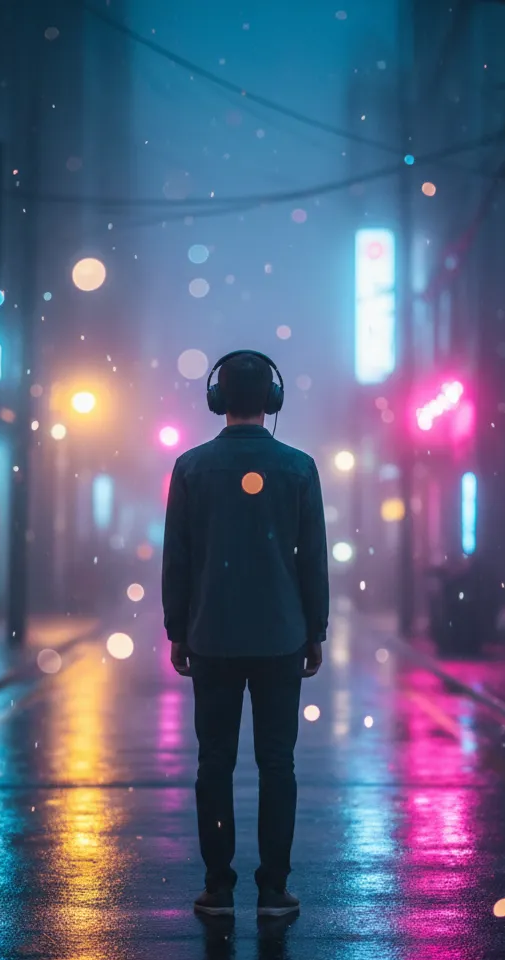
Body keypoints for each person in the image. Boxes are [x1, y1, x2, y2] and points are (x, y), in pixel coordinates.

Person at [161, 349, 329, 918]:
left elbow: (177, 559)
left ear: (217, 398)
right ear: (271, 400)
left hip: (212, 635)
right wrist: (315, 630)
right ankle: (274, 888)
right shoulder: (300, 468)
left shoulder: (189, 468)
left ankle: (219, 885)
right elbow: (313, 562)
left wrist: (177, 629)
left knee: (215, 764)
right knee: (277, 764)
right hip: (282, 634)